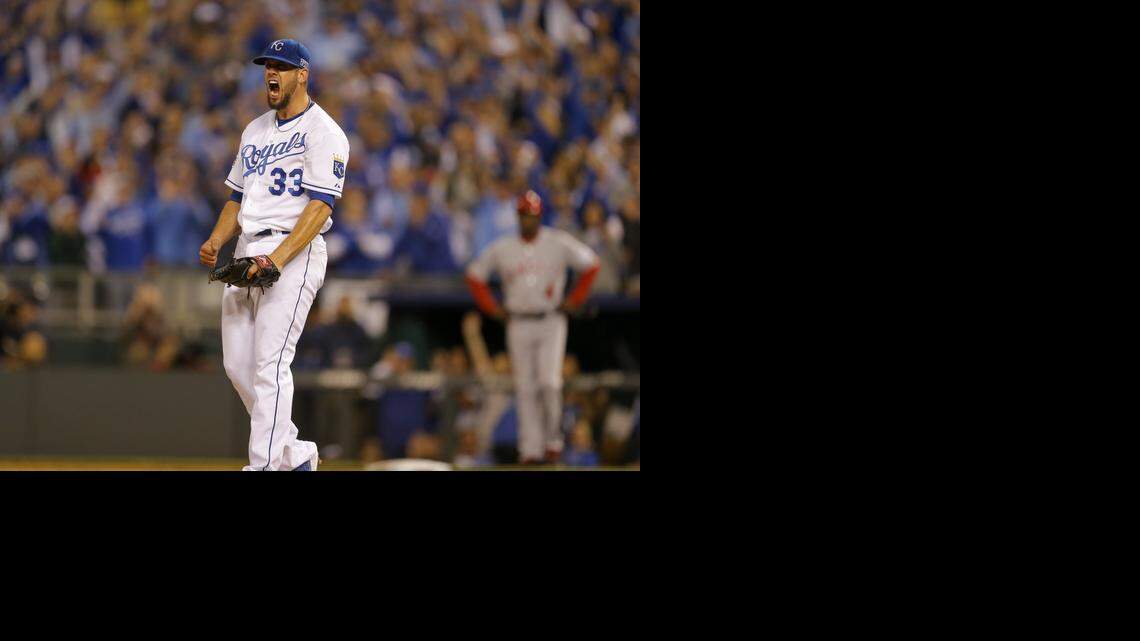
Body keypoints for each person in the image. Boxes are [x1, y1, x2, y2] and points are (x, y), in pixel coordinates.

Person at [198, 39, 349, 471]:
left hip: (293, 250)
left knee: (269, 364)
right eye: (268, 65)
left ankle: (264, 466)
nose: (271, 72)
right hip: (247, 247)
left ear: (303, 74)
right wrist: (216, 240)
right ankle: (295, 453)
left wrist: (278, 259)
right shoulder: (255, 130)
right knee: (237, 365)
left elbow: (320, 208)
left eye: (282, 66)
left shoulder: (326, 132)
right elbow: (236, 197)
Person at [464, 190, 600, 464]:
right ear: (518, 216)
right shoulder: (504, 247)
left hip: (550, 320)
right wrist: (492, 307)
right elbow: (474, 275)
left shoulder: (557, 242)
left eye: (532, 215)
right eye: (524, 215)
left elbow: (591, 265)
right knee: (525, 387)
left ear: (540, 215)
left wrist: (575, 299)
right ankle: (530, 450)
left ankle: (552, 442)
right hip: (518, 321)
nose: (528, 219)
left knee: (549, 383)